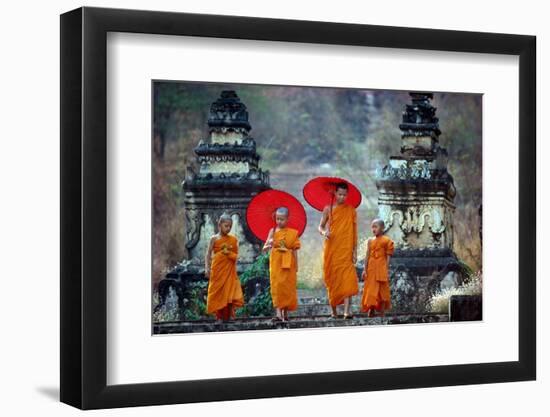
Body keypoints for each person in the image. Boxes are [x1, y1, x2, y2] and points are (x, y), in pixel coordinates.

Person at [318, 182, 359, 319]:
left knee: (347, 279)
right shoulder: (327, 209)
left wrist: (355, 251)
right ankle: (334, 311)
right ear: (334, 194)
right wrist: (324, 233)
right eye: (340, 194)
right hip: (332, 249)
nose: (342, 197)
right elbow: (320, 227)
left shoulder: (351, 210)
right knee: (333, 278)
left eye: (344, 195)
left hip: (346, 250)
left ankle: (347, 311)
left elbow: (354, 232)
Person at [263, 207, 301, 322]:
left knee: (287, 288)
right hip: (276, 264)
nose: (279, 221)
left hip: (289, 264)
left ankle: (285, 313)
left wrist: (297, 265)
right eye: (277, 219)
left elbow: (294, 250)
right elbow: (264, 249)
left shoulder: (293, 233)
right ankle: (278, 314)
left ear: (287, 219)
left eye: (282, 219)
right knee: (277, 287)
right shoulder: (272, 231)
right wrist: (268, 244)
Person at [205, 213, 244, 322]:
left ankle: (230, 316)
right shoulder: (214, 238)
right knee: (217, 292)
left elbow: (236, 256)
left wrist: (228, 254)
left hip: (229, 271)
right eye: (226, 226)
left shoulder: (233, 240)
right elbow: (208, 254)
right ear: (219, 225)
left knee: (230, 292)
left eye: (230, 226)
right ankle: (219, 317)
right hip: (217, 270)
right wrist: (207, 268)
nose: (228, 228)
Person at [361, 218, 395, 317]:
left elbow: (388, 256)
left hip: (381, 267)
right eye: (372, 227)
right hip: (371, 268)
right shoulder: (370, 241)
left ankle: (382, 311)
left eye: (376, 227)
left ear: (382, 228)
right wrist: (364, 269)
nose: (373, 229)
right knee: (371, 289)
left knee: (382, 290)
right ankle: (371, 308)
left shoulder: (387, 241)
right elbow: (367, 256)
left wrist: (386, 268)